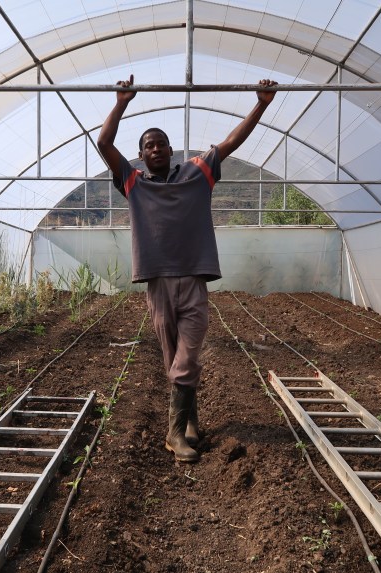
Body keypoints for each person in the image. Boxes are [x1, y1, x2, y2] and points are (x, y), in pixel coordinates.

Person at [97, 75, 277, 462]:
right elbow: (104, 144)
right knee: (172, 358)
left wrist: (261, 104)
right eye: (148, 145)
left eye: (161, 143)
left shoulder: (197, 172)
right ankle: (189, 420)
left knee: (188, 356)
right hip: (158, 282)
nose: (156, 148)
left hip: (194, 279)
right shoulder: (132, 182)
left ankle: (174, 434)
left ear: (171, 149)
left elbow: (231, 143)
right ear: (141, 155)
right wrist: (121, 102)